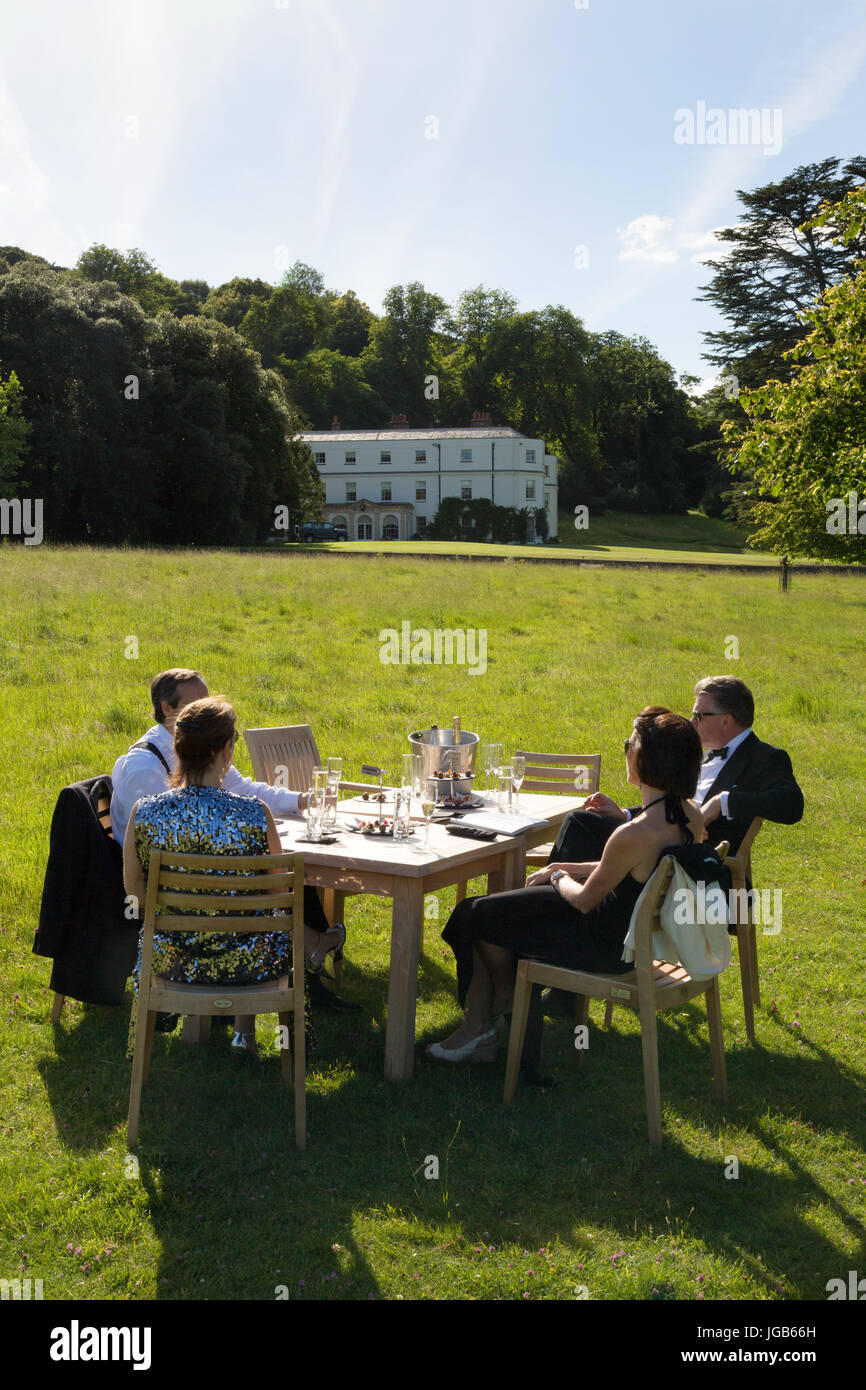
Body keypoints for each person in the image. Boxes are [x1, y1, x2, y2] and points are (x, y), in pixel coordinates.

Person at [427, 709, 710, 1062]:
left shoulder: (633, 832)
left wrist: (559, 877)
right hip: (628, 938)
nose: (625, 751)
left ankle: (496, 1012)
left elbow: (584, 901)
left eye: (629, 745)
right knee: (484, 913)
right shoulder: (687, 814)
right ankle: (489, 1019)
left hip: (600, 944)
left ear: (646, 759)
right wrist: (565, 866)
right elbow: (631, 866)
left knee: (474, 916)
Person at [111, 668, 360, 1015]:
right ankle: (310, 956)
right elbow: (278, 896)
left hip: (167, 952)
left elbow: (136, 896)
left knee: (257, 883)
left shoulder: (150, 805)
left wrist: (301, 800)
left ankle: (308, 957)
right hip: (241, 949)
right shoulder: (146, 769)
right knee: (283, 885)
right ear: (225, 749)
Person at [550, 676, 804, 864]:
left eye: (698, 716)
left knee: (580, 826)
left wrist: (721, 801)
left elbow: (792, 805)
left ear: (726, 720)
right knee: (585, 823)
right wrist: (625, 816)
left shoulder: (765, 758)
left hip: (699, 866)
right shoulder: (702, 754)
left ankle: (564, 914)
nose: (691, 722)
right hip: (665, 846)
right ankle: (571, 915)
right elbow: (672, 810)